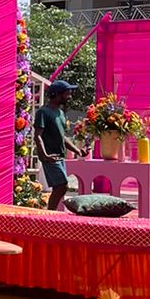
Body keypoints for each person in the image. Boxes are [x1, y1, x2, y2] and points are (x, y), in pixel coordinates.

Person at [33, 79, 85, 210]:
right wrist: (45, 155)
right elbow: (38, 136)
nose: (69, 96)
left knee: (60, 187)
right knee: (61, 186)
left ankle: (51, 213)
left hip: (59, 156)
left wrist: (78, 150)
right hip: (50, 156)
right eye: (67, 93)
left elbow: (63, 137)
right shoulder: (43, 112)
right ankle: (50, 213)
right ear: (56, 94)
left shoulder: (60, 113)